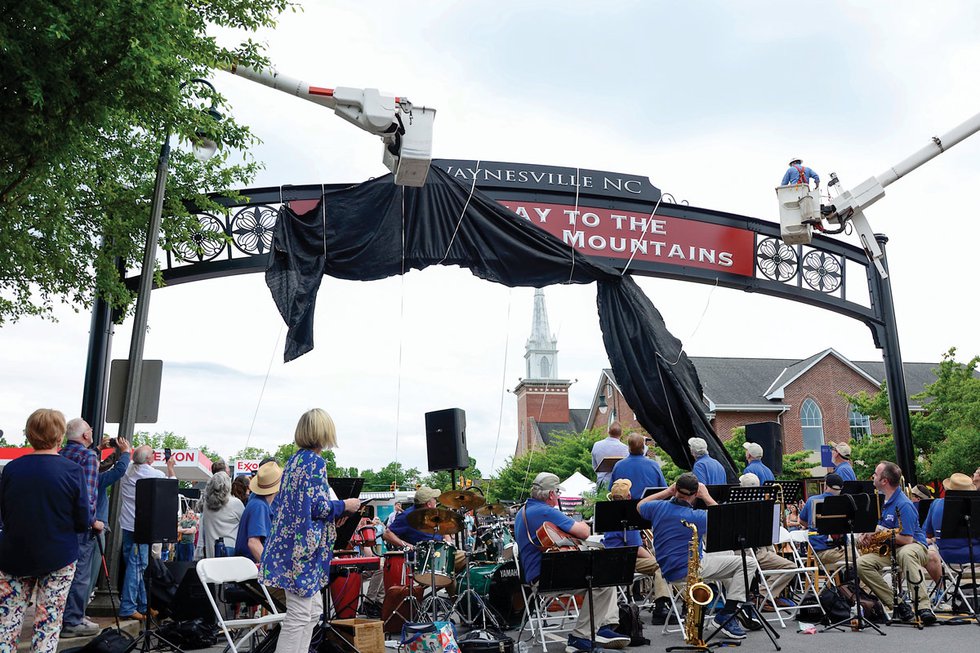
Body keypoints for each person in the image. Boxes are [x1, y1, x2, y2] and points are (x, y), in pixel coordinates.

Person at [260, 408, 360, 653]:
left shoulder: (294, 461)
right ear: (324, 431)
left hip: (289, 550)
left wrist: (330, 516)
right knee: (300, 614)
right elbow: (318, 506)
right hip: (301, 554)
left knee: (312, 611)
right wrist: (344, 506)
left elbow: (299, 507)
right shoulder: (315, 463)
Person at [0, 409, 89, 652]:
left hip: (14, 554)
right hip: (58, 554)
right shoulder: (72, 471)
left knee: (7, 623)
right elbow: (83, 520)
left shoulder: (11, 469)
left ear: (30, 435)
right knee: (48, 623)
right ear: (60, 436)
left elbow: (5, 514)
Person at [515, 472, 629, 653]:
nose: (558, 497)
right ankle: (582, 636)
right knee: (605, 583)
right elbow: (583, 532)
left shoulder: (523, 512)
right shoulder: (546, 511)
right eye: (557, 493)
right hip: (547, 577)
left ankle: (602, 628)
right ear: (551, 494)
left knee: (604, 577)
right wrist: (582, 525)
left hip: (535, 576)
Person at [638, 473, 759, 640]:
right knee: (749, 563)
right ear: (696, 494)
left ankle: (735, 605)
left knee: (727, 554)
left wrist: (667, 491)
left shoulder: (657, 508)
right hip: (690, 569)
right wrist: (707, 496)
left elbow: (640, 505)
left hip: (667, 569)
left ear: (675, 490)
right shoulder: (696, 516)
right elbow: (729, 522)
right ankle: (728, 611)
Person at [856, 461, 936, 625]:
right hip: (892, 549)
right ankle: (897, 605)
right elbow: (881, 529)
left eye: (876, 474)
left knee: (907, 553)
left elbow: (907, 539)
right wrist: (867, 536)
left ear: (884, 481)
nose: (873, 477)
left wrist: (879, 532)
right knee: (861, 563)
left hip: (913, 546)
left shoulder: (903, 504)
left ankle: (923, 607)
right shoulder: (882, 501)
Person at [601, 479, 672, 624]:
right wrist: (655, 558)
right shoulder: (628, 515)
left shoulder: (609, 513)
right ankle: (661, 607)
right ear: (628, 496)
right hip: (627, 559)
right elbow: (637, 549)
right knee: (663, 565)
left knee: (661, 555)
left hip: (611, 556)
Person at [118, 444, 175, 620]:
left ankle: (143, 605)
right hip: (142, 527)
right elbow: (171, 486)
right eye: (152, 453)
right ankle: (128, 606)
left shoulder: (126, 471)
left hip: (126, 524)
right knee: (137, 567)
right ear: (149, 459)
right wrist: (170, 468)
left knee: (134, 566)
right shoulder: (154, 474)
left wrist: (131, 453)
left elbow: (130, 462)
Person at [58, 418, 103, 637]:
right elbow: (88, 494)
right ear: (85, 436)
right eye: (90, 430)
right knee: (81, 574)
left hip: (58, 524)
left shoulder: (60, 454)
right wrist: (94, 521)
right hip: (80, 526)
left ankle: (60, 617)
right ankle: (73, 619)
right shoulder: (88, 456)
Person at [736, 473, 796, 612]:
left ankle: (764, 595)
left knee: (791, 567)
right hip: (744, 553)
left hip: (760, 551)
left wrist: (770, 550)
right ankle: (764, 596)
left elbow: (768, 533)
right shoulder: (738, 506)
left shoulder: (762, 507)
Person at [385, 486, 466, 571]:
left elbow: (444, 530)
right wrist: (407, 546)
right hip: (423, 558)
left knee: (468, 557)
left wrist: (448, 543)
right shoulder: (407, 516)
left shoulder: (434, 514)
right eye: (434, 499)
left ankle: (457, 583)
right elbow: (387, 534)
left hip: (441, 552)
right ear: (429, 504)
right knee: (465, 558)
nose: (436, 501)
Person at [88, 436, 131, 596]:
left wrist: (99, 448)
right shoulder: (97, 480)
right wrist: (126, 452)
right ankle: (80, 611)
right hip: (96, 527)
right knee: (90, 573)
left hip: (83, 527)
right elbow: (118, 471)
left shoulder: (80, 475)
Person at [924, 473, 980, 585]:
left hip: (945, 554)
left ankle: (941, 588)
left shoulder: (935, 504)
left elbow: (927, 533)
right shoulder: (976, 506)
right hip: (975, 553)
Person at [235, 461, 282, 562]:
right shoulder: (259, 506)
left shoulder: (257, 503)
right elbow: (253, 543)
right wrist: (270, 570)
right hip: (250, 569)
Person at [799, 473, 846, 567]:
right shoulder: (844, 502)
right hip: (831, 551)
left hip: (821, 551)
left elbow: (801, 520)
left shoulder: (812, 500)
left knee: (861, 559)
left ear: (825, 486)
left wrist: (815, 526)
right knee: (862, 559)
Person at [199, 472, 244, 558]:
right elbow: (245, 525)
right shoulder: (235, 503)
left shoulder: (206, 505)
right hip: (231, 552)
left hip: (211, 553)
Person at [610, 433, 667, 499]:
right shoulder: (654, 465)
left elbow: (612, 491)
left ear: (628, 447)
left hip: (625, 507)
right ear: (643, 447)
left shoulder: (618, 465)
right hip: (648, 507)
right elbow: (664, 490)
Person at [591, 423, 629, 490]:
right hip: (619, 485)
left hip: (601, 482)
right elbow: (626, 468)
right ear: (621, 433)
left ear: (608, 432)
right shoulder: (625, 448)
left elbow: (594, 466)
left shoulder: (597, 445)